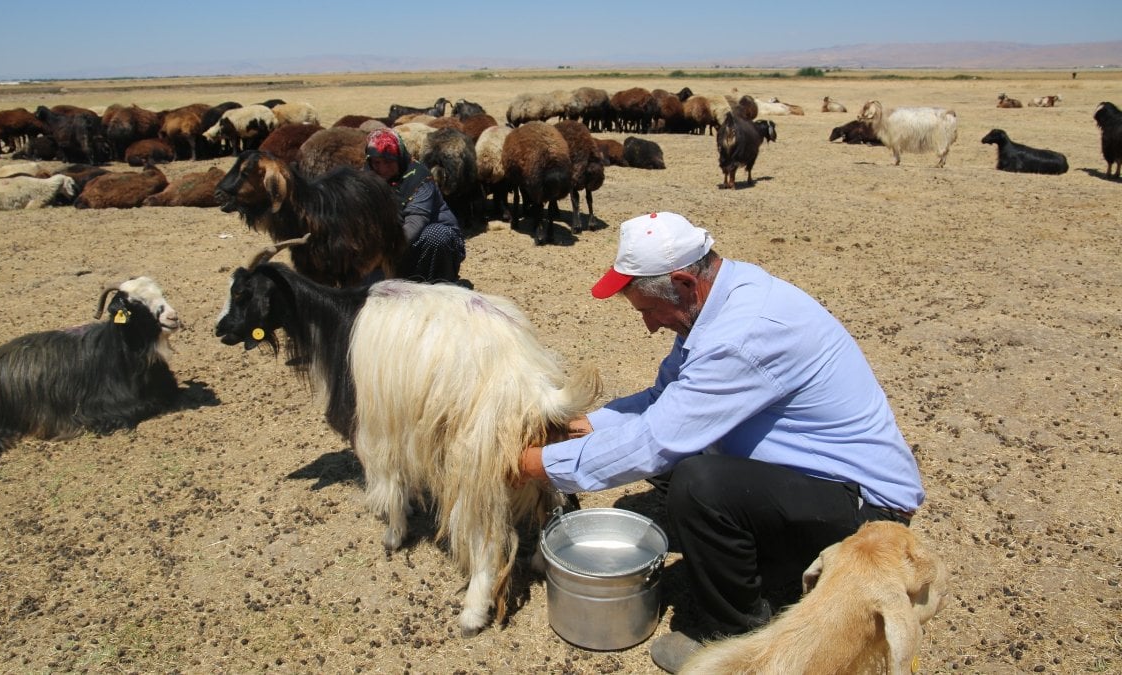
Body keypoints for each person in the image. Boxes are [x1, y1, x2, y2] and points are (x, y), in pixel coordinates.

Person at [516, 211, 925, 672]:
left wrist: (533, 464)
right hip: (810, 477)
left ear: (684, 282)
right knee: (679, 457)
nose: (649, 326)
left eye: (650, 310)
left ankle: (736, 637)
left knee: (697, 481)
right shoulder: (721, 298)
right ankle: (753, 556)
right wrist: (585, 425)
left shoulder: (742, 334)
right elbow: (664, 399)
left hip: (865, 513)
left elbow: (654, 442)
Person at [364, 127, 469, 286]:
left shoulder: (419, 177)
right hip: (389, 246)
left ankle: (440, 284)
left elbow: (415, 220)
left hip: (421, 242)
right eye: (377, 162)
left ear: (399, 158)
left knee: (436, 235)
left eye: (388, 162)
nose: (382, 169)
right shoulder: (366, 179)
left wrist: (385, 253)